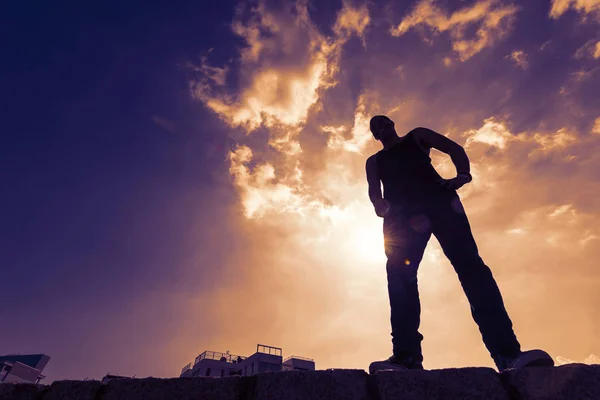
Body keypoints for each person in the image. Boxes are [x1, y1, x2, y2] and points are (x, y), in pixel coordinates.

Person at [365, 115, 554, 373]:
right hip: (401, 218)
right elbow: (374, 191)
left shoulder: (417, 136)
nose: (382, 127)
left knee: (472, 269)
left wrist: (462, 175)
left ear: (394, 124)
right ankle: (406, 358)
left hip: (441, 204)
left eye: (385, 122)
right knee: (399, 276)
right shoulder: (374, 161)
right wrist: (380, 206)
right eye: (376, 127)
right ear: (374, 135)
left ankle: (508, 354)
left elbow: (454, 148)